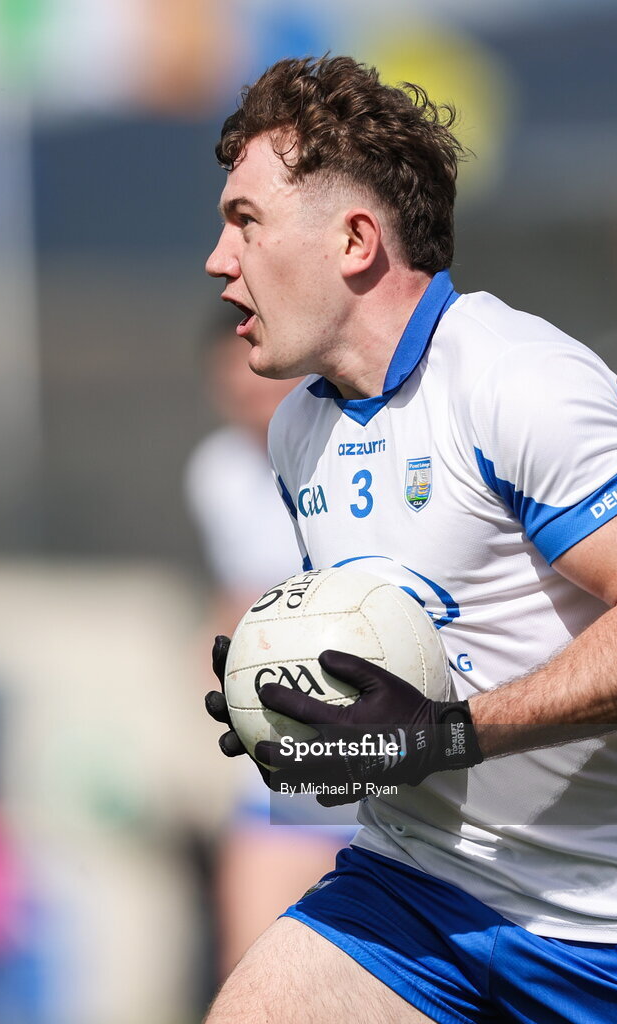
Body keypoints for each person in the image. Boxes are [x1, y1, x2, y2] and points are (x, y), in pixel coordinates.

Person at [202, 55, 617, 1024]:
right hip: (416, 888)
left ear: (353, 239)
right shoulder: (298, 428)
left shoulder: (517, 379)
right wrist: (316, 732)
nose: (220, 260)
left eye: (246, 221)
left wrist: (441, 733)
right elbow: (410, 658)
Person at [184, 309, 354, 982]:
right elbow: (236, 601)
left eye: (265, 383)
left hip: (386, 744)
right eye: (236, 390)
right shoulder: (217, 476)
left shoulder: (352, 453)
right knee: (252, 967)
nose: (254, 404)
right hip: (286, 754)